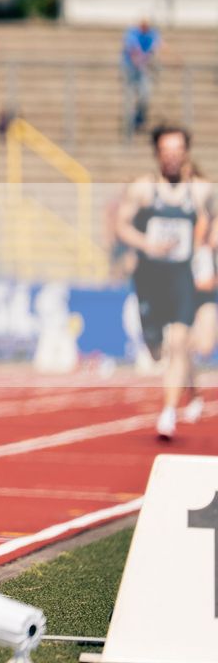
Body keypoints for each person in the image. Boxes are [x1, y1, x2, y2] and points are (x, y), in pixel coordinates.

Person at [112, 127, 212, 441]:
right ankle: (182, 390)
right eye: (165, 150)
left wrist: (205, 246)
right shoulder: (144, 189)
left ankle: (168, 413)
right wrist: (146, 244)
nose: (171, 156)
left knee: (180, 343)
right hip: (150, 278)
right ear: (157, 154)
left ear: (186, 153)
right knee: (156, 349)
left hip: (182, 277)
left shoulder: (200, 191)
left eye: (177, 149)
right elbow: (121, 225)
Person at [123, 17, 160, 137]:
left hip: (143, 69)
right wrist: (140, 61)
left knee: (145, 96)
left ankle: (139, 119)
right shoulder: (133, 34)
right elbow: (133, 50)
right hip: (132, 70)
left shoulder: (151, 33)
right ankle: (130, 124)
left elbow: (158, 45)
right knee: (131, 97)